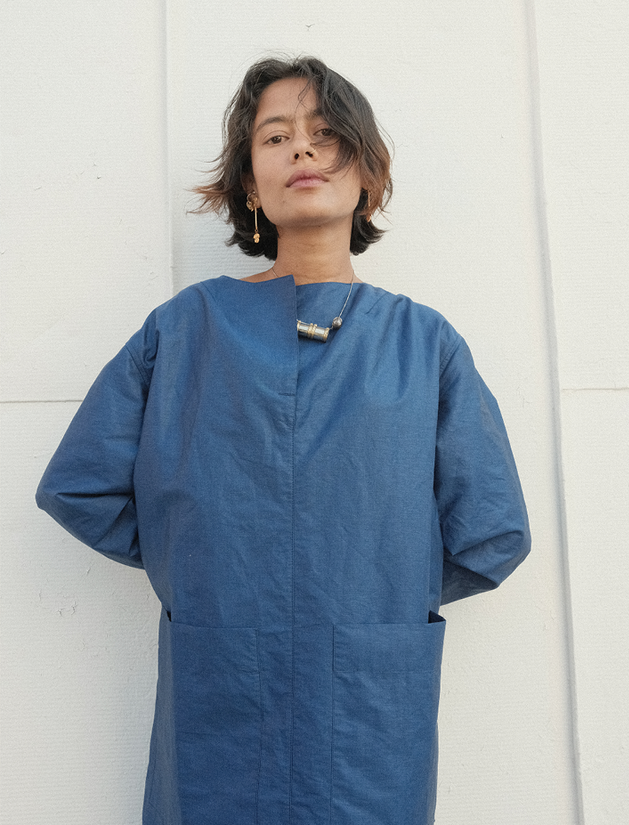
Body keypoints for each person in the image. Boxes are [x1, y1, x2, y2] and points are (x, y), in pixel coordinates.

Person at [36, 56, 531, 825]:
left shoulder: (423, 343)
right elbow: (79, 486)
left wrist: (374, 591)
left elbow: (492, 531)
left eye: (325, 133)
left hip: (369, 710)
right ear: (248, 185)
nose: (302, 147)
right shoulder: (185, 331)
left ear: (367, 173)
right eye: (275, 136)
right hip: (220, 692)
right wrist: (206, 565)